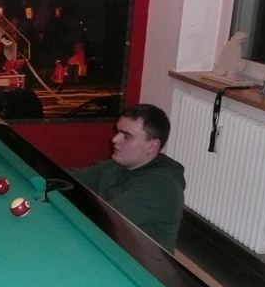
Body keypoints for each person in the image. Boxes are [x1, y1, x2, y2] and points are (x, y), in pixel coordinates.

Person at [69, 104, 185, 253]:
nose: (115, 139)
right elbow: (70, 179)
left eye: (126, 136)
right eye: (118, 132)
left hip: (138, 264)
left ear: (152, 146)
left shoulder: (161, 186)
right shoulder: (115, 165)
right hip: (110, 247)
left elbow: (104, 219)